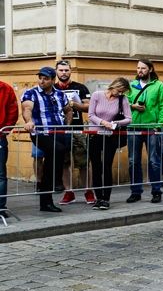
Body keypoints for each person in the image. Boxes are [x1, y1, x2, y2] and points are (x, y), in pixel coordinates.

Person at [20, 67, 72, 212]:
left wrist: (67, 126)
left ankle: (46, 202)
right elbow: (27, 108)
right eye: (40, 78)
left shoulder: (60, 94)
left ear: (53, 80)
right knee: (59, 150)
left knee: (49, 166)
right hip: (41, 133)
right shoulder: (31, 93)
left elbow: (68, 110)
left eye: (46, 78)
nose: (42, 81)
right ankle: (57, 182)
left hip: (59, 132)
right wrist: (29, 121)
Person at [127, 59, 163, 204]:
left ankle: (156, 191)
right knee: (133, 161)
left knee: (154, 161)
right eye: (138, 68)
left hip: (152, 127)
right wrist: (133, 106)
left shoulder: (159, 86)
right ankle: (135, 192)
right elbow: (124, 103)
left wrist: (160, 124)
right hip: (133, 127)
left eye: (143, 68)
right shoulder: (131, 86)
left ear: (150, 69)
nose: (140, 71)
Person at [87, 78, 132, 210]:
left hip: (110, 136)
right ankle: (98, 198)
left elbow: (129, 119)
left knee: (107, 166)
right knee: (96, 167)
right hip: (94, 134)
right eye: (119, 90)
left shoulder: (122, 99)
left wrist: (116, 123)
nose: (119, 93)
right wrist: (103, 122)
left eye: (122, 92)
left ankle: (106, 199)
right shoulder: (97, 95)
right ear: (113, 86)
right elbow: (90, 115)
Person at [54, 59, 94, 206]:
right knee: (65, 163)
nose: (64, 73)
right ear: (56, 71)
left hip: (78, 129)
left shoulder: (81, 87)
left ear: (70, 71)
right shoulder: (52, 88)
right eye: (61, 70)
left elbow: (89, 107)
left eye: (66, 70)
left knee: (84, 162)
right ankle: (69, 192)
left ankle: (88, 191)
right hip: (60, 130)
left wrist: (74, 105)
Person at [0, 79, 19, 220]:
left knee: (0, 174)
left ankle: (0, 207)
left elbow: (13, 111)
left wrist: (5, 130)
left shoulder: (5, 88)